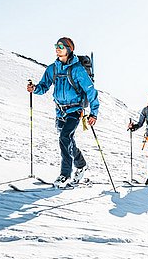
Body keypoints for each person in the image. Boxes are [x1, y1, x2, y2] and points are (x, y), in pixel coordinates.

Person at [27, 37, 99, 188]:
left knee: (64, 137)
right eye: (56, 45)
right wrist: (35, 89)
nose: (57, 48)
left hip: (74, 110)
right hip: (60, 111)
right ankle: (81, 165)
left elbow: (91, 91)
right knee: (68, 140)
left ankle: (65, 174)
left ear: (69, 49)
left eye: (61, 46)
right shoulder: (52, 68)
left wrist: (93, 113)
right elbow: (44, 86)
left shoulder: (78, 69)